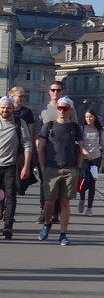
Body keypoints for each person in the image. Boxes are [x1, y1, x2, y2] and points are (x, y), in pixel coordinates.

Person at [37, 96, 83, 245]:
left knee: (65, 202)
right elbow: (41, 149)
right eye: (59, 108)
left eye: (65, 108)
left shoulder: (75, 128)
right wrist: (43, 168)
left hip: (69, 169)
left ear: (70, 110)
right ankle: (47, 223)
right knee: (49, 201)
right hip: (51, 168)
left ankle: (63, 234)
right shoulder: (49, 126)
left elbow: (81, 150)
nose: (62, 111)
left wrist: (78, 168)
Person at [0, 96, 34, 239]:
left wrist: (26, 166)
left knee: (11, 196)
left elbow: (27, 144)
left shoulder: (19, 123)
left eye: (8, 107)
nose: (5, 110)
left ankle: (8, 227)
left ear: (13, 108)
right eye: (2, 107)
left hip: (11, 166)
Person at [38, 81, 68, 227]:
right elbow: (37, 129)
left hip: (61, 151)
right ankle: (43, 211)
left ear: (62, 92)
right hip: (45, 149)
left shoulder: (68, 107)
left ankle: (55, 213)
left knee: (58, 183)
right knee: (45, 182)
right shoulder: (43, 108)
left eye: (58, 90)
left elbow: (73, 128)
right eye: (53, 90)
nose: (55, 93)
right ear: (49, 92)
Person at [8, 87, 38, 195]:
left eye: (24, 96)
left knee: (18, 180)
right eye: (20, 96)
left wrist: (31, 149)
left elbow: (31, 132)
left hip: (21, 149)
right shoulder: (5, 110)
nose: (23, 98)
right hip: (6, 148)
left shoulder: (27, 112)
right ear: (12, 96)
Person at [78, 109, 104, 216]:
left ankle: (89, 208)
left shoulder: (99, 130)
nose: (88, 119)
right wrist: (86, 154)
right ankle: (82, 199)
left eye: (90, 116)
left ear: (94, 117)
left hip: (96, 159)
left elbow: (103, 145)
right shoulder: (81, 129)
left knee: (92, 183)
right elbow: (79, 145)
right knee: (84, 181)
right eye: (86, 117)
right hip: (84, 158)